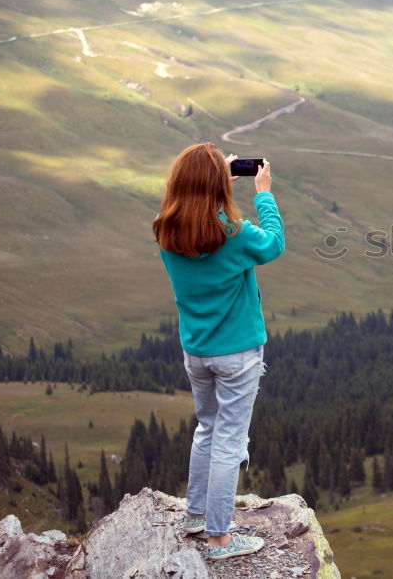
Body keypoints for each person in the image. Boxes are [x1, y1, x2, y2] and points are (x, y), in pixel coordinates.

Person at [152, 142, 284, 561]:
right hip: (238, 354)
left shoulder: (165, 229)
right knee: (230, 440)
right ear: (215, 184)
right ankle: (220, 538)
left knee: (207, 430)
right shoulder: (234, 233)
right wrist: (262, 192)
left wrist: (209, 183)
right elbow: (274, 244)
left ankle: (194, 516)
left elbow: (197, 219)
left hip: (196, 351)